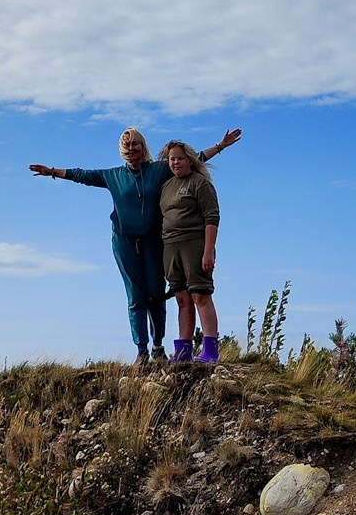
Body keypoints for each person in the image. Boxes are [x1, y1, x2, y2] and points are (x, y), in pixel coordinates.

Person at [29, 125, 240, 364]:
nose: (131, 149)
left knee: (156, 294)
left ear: (143, 146)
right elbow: (83, 175)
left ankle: (158, 346)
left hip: (154, 242)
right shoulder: (113, 176)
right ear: (121, 149)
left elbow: (192, 159)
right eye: (126, 145)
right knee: (135, 297)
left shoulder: (159, 170)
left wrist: (220, 146)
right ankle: (142, 351)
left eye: (135, 144)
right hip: (124, 242)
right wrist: (52, 171)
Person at [158, 141, 221, 365]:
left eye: (180, 158)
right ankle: (183, 350)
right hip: (170, 246)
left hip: (194, 243)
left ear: (190, 161)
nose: (176, 162)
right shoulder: (166, 186)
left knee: (200, 295)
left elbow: (211, 217)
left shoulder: (199, 183)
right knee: (182, 298)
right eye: (172, 159)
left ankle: (211, 350)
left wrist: (208, 252)